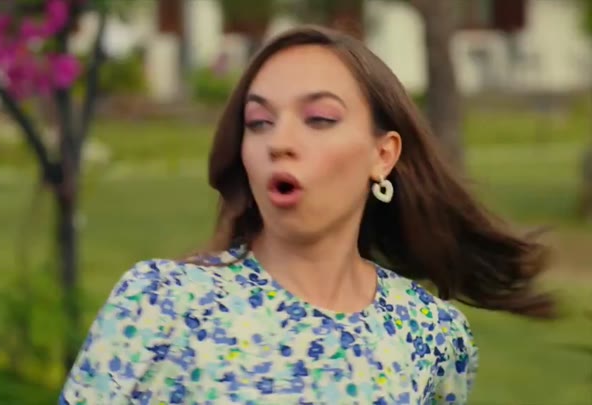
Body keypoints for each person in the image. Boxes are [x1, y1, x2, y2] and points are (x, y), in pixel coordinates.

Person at [59, 25, 554, 404]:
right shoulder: (161, 303)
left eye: (319, 119)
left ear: (383, 155)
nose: (280, 142)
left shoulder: (432, 334)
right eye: (259, 122)